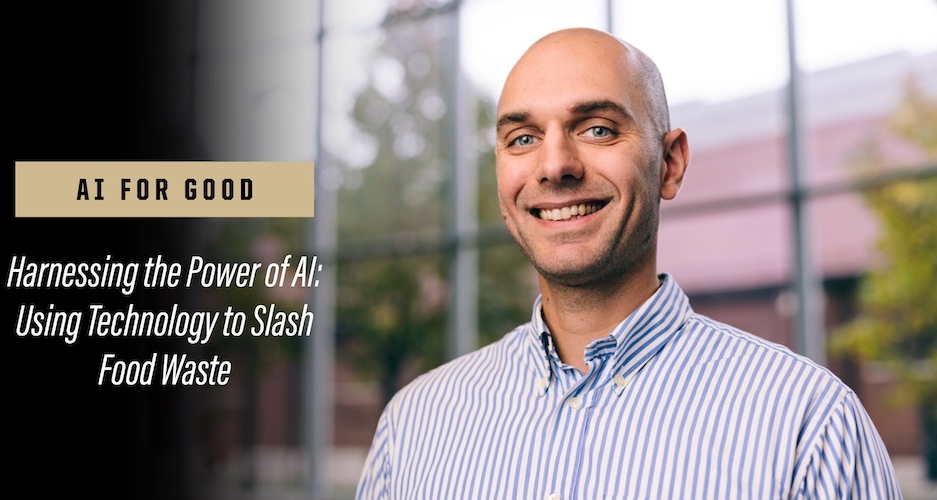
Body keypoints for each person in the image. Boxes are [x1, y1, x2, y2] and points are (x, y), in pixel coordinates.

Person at [356, 27, 902, 499]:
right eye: (523, 138)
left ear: (670, 164)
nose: (555, 166)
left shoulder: (808, 423)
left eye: (597, 129)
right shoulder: (414, 427)